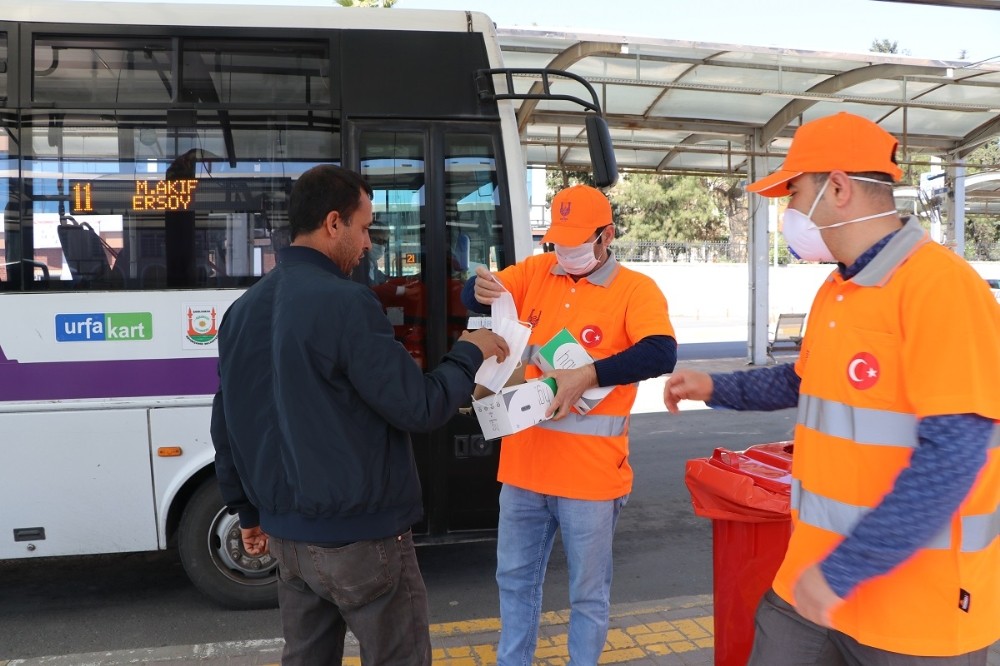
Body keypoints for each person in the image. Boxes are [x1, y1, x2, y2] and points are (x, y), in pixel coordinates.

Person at [664, 112, 1000, 665]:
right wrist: (713, 387)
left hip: (915, 608)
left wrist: (844, 572)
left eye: (793, 193)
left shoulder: (941, 289)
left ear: (837, 187)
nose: (787, 212)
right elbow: (802, 380)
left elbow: (954, 458)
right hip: (811, 584)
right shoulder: (836, 289)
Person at [211, 164, 509, 666]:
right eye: (366, 227)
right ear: (333, 223)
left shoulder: (242, 310)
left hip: (288, 541)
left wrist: (247, 512)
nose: (370, 243)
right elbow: (420, 405)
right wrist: (469, 351)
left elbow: (227, 422)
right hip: (362, 538)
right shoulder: (348, 303)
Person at [461, 183, 677, 664]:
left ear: (608, 236)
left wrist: (590, 373)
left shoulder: (635, 290)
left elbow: (661, 351)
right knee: (514, 583)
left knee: (588, 595)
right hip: (522, 472)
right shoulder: (538, 271)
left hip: (590, 480)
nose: (566, 251)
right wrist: (475, 289)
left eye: (578, 241)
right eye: (559, 240)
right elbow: (482, 296)